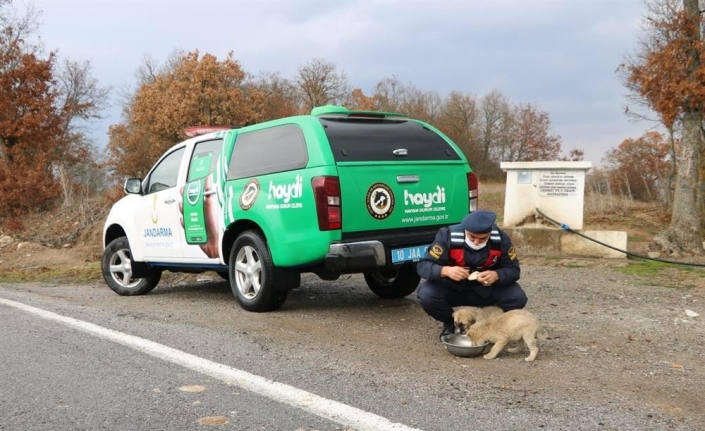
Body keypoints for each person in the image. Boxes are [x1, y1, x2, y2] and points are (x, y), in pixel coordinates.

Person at [416, 210, 528, 340]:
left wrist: (497, 274)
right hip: (453, 288)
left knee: (517, 297)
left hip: (485, 290)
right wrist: (445, 270)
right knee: (427, 295)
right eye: (472, 237)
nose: (476, 242)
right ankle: (451, 323)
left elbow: (513, 269)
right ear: (465, 230)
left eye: (482, 238)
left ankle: (491, 325)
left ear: (490, 232)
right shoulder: (447, 235)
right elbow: (423, 266)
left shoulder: (500, 239)